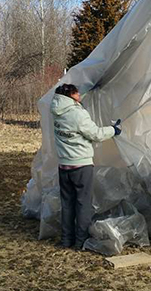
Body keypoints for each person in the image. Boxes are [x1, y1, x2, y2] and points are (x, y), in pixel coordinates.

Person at [51, 83, 122, 249]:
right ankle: (80, 241)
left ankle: (66, 239)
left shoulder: (56, 111)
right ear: (71, 96)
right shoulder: (77, 114)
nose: (80, 96)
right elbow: (95, 134)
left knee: (67, 204)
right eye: (77, 94)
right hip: (81, 166)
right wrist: (114, 130)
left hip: (64, 166)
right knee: (83, 204)